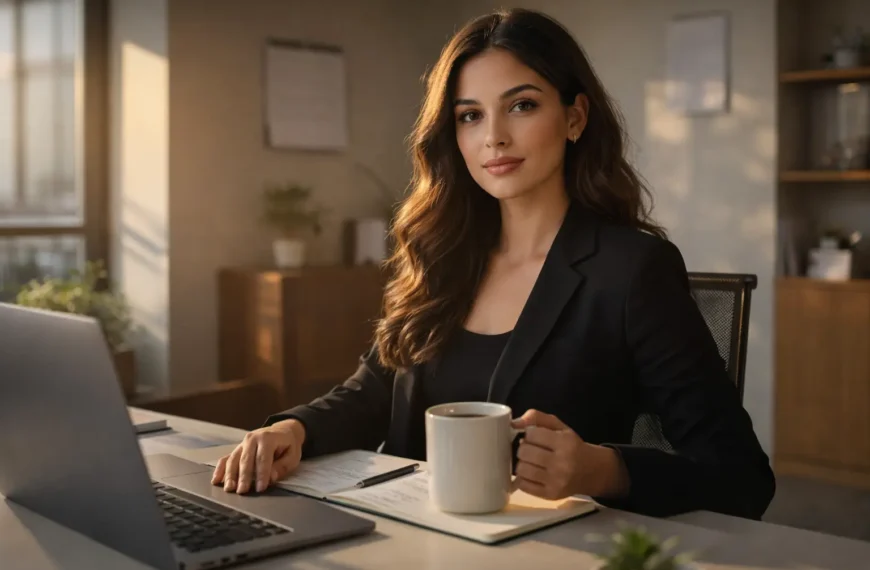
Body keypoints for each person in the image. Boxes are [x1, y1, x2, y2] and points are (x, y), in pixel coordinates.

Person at [211, 8, 775, 519]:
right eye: (470, 116)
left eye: (522, 106)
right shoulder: (444, 253)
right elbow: (376, 390)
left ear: (575, 118)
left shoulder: (633, 270)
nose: (495, 137)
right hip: (406, 543)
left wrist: (602, 469)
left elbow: (742, 477)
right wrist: (294, 428)